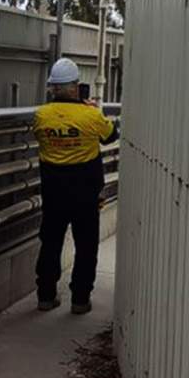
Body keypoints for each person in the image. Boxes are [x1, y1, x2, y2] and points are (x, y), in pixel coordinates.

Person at [32, 58, 118, 315]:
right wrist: (92, 110)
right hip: (85, 192)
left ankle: (46, 296)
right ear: (76, 87)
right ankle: (80, 299)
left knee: (50, 242)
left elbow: (38, 136)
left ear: (53, 88)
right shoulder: (91, 116)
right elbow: (111, 135)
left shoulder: (41, 116)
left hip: (53, 192)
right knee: (86, 244)